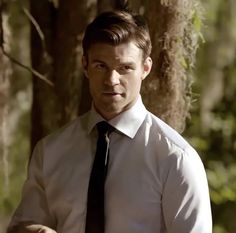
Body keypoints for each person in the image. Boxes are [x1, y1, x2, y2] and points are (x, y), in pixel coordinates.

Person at [7, 10, 212, 233]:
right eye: (100, 66)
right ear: (85, 65)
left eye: (125, 68)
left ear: (145, 68)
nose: (111, 80)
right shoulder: (50, 151)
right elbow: (22, 225)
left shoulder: (175, 159)